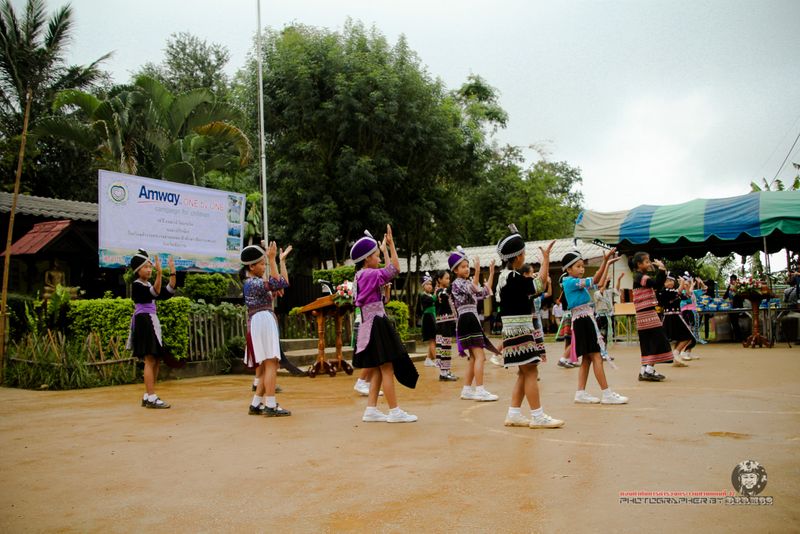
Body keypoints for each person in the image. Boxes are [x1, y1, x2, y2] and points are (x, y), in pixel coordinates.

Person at [496, 228, 563, 428]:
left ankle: (514, 414)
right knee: (531, 371)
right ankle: (537, 416)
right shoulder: (514, 278)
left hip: (512, 330)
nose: (524, 256)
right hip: (520, 331)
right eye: (523, 253)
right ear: (518, 257)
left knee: (523, 372)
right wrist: (546, 259)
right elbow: (540, 285)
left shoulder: (505, 277)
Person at [351, 227, 419, 423]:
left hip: (370, 324)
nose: (379, 258)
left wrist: (385, 251)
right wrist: (391, 245)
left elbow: (388, 272)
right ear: (366, 258)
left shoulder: (361, 275)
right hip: (377, 324)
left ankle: (371, 409)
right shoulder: (369, 275)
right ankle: (394, 411)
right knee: (387, 368)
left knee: (377, 369)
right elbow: (395, 269)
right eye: (376, 255)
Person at [561, 249, 628, 405]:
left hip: (583, 319)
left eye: (582, 266)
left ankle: (580, 393)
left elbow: (598, 282)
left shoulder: (575, 282)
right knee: (596, 356)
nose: (582, 269)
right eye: (578, 266)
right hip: (583, 320)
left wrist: (607, 264)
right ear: (568, 269)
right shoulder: (570, 282)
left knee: (587, 359)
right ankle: (607, 394)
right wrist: (604, 262)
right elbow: (595, 279)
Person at [241, 242, 291, 416]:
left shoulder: (255, 282)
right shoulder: (253, 283)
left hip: (260, 320)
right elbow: (277, 283)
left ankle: (256, 404)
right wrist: (272, 259)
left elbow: (283, 283)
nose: (264, 267)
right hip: (262, 320)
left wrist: (280, 261)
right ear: (251, 266)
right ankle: (270, 404)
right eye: (262, 264)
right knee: (271, 363)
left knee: (266, 365)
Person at [126, 249, 179, 409]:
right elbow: (155, 292)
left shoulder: (148, 284)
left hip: (150, 320)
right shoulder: (137, 285)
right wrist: (159, 274)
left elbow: (167, 292)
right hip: (144, 321)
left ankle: (149, 394)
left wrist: (172, 272)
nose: (149, 270)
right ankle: (151, 397)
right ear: (138, 270)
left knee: (155, 359)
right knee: (150, 359)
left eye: (150, 267)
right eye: (146, 267)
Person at [449, 246, 500, 402]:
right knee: (480, 356)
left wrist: (491, 273)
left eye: (467, 266)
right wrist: (477, 272)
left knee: (473, 357)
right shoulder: (457, 283)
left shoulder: (465, 282)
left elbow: (483, 292)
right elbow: (473, 288)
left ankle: (467, 390)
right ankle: (480, 390)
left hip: (468, 319)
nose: (467, 269)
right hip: (468, 319)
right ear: (455, 270)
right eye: (463, 267)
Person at [631, 252, 675, 381]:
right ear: (639, 264)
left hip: (643, 314)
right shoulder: (640, 277)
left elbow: (657, 284)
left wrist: (661, 271)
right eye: (646, 262)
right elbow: (656, 283)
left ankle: (644, 370)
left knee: (648, 342)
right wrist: (661, 269)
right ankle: (649, 370)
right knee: (657, 339)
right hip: (647, 313)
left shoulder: (639, 277)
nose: (649, 263)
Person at [657, 274, 692, 367]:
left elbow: (687, 298)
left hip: (676, 316)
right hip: (670, 317)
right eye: (667, 281)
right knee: (687, 336)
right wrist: (682, 284)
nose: (670, 282)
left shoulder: (674, 291)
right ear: (664, 283)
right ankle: (676, 353)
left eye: (671, 280)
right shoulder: (664, 291)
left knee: (684, 337)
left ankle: (676, 355)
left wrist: (686, 287)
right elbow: (677, 293)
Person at [433, 269, 458, 381]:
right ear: (439, 280)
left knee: (445, 346)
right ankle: (443, 373)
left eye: (449, 278)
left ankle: (445, 371)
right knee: (444, 346)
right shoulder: (439, 291)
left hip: (445, 322)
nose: (449, 280)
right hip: (443, 323)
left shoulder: (443, 290)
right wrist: (453, 286)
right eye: (446, 278)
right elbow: (443, 295)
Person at [679, 274, 708, 356]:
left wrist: (701, 283)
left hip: (693, 313)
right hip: (686, 314)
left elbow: (705, 289)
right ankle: (682, 352)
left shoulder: (694, 292)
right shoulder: (682, 293)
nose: (686, 284)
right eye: (685, 283)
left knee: (694, 333)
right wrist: (691, 285)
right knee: (689, 333)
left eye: (688, 283)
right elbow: (689, 294)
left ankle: (688, 352)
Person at [593, 273, 623, 349]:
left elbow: (617, 291)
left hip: (608, 315)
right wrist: (605, 280)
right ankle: (601, 351)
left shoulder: (609, 291)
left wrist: (619, 280)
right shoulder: (596, 293)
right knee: (602, 334)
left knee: (607, 335)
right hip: (601, 317)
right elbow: (601, 292)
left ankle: (604, 351)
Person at [419, 272, 437, 368]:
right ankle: (438, 360)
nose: (429, 286)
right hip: (428, 318)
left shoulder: (430, 295)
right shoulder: (423, 296)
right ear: (423, 286)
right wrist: (436, 293)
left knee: (433, 340)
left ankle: (428, 359)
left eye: (430, 284)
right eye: (427, 284)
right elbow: (433, 300)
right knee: (432, 340)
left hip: (432, 317)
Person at [723, 274, 745, 341]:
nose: (732, 281)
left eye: (733, 280)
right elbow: (725, 296)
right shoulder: (729, 287)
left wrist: (735, 291)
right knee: (733, 321)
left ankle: (739, 337)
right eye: (731, 280)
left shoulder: (739, 287)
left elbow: (742, 297)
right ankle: (736, 337)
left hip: (738, 307)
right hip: (731, 307)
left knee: (735, 322)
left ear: (735, 280)